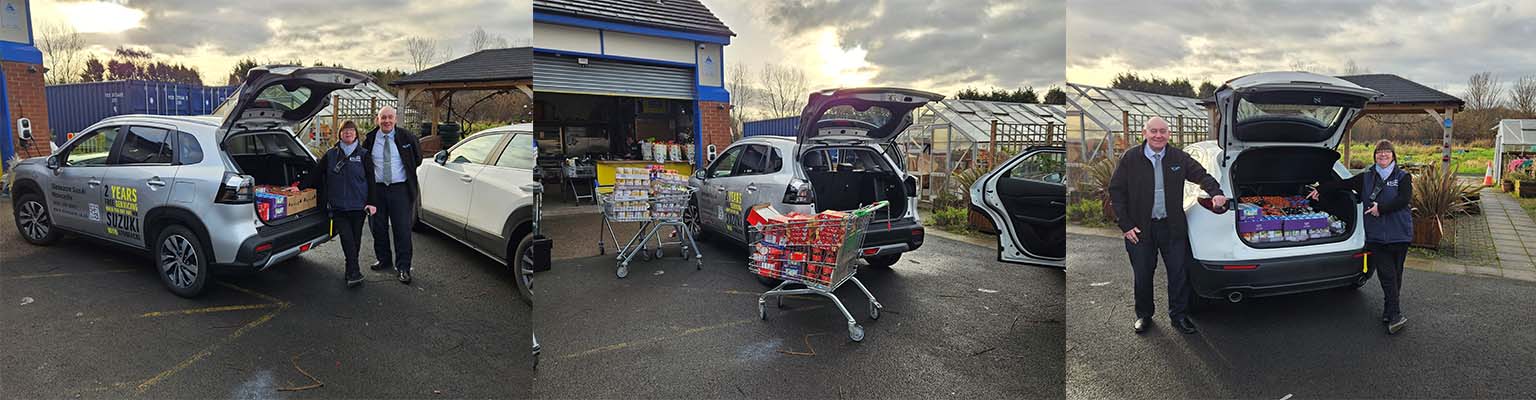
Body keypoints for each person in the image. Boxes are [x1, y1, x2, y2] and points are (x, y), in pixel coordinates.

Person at [1107, 117, 1226, 335]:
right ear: (1145, 133)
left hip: (1171, 227)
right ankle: (1144, 315)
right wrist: (1125, 225)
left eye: (1163, 131)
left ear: (1168, 134)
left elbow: (1202, 175)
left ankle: (1179, 316)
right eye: (1154, 131)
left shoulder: (1178, 157)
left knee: (1178, 274)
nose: (1158, 135)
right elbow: (1116, 191)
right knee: (1142, 274)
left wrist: (1216, 192)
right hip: (1140, 229)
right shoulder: (1131, 158)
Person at [1309, 139, 1412, 334]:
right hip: (1377, 237)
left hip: (1399, 233)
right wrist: (1320, 189)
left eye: (1387, 152)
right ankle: (1396, 314)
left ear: (1393, 156)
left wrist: (1380, 209)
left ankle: (1389, 310)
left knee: (1396, 273)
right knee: (1386, 274)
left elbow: (1404, 199)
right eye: (1379, 153)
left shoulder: (1403, 177)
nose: (1383, 155)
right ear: (1374, 156)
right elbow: (1342, 184)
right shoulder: (1365, 178)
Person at [295, 120, 373, 287]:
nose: (348, 133)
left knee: (356, 239)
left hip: (358, 206)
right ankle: (354, 272)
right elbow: (316, 173)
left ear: (356, 134)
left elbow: (372, 181)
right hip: (337, 206)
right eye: (345, 131)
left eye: (351, 131)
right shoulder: (331, 154)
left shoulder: (365, 155)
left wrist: (372, 202)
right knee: (347, 238)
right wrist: (300, 187)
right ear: (339, 134)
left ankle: (350, 270)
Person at [360, 106, 423, 284]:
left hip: (400, 189)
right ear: (377, 120)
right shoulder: (370, 139)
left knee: (402, 229)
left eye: (390, 117)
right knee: (377, 227)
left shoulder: (407, 137)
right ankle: (384, 259)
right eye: (383, 118)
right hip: (377, 191)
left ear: (395, 119)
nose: (386, 121)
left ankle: (403, 267)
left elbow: (416, 159)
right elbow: (365, 163)